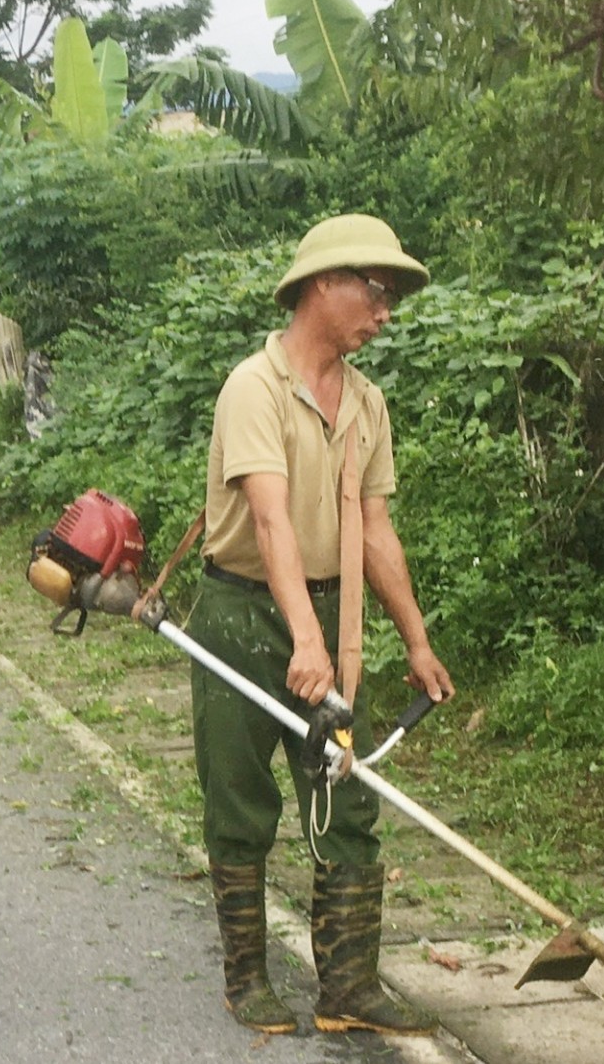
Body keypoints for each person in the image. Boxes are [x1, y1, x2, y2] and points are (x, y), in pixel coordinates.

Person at [192, 214, 454, 1038]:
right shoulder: (254, 388)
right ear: (321, 285)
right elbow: (270, 521)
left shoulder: (367, 402)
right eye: (375, 292)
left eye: (391, 297)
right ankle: (246, 978)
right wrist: (301, 638)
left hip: (331, 616)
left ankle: (347, 985)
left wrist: (415, 639)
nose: (385, 312)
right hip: (241, 613)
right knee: (240, 796)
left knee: (347, 792)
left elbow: (374, 530)